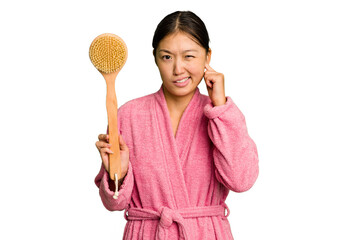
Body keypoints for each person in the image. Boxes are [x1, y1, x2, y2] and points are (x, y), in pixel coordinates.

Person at [95, 10, 259, 240]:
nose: (178, 69)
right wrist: (119, 174)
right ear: (155, 58)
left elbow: (241, 180)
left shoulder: (221, 115)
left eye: (189, 56)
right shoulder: (128, 115)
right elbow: (115, 203)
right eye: (167, 57)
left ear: (207, 56)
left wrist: (220, 108)